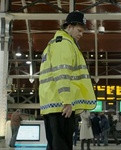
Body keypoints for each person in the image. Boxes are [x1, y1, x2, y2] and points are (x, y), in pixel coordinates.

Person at [39, 11, 96, 150]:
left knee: (54, 144)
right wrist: (67, 101)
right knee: (62, 145)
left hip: (53, 104)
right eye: (79, 30)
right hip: (62, 106)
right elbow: (62, 74)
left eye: (83, 31)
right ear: (69, 26)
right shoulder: (64, 44)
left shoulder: (55, 43)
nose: (81, 34)